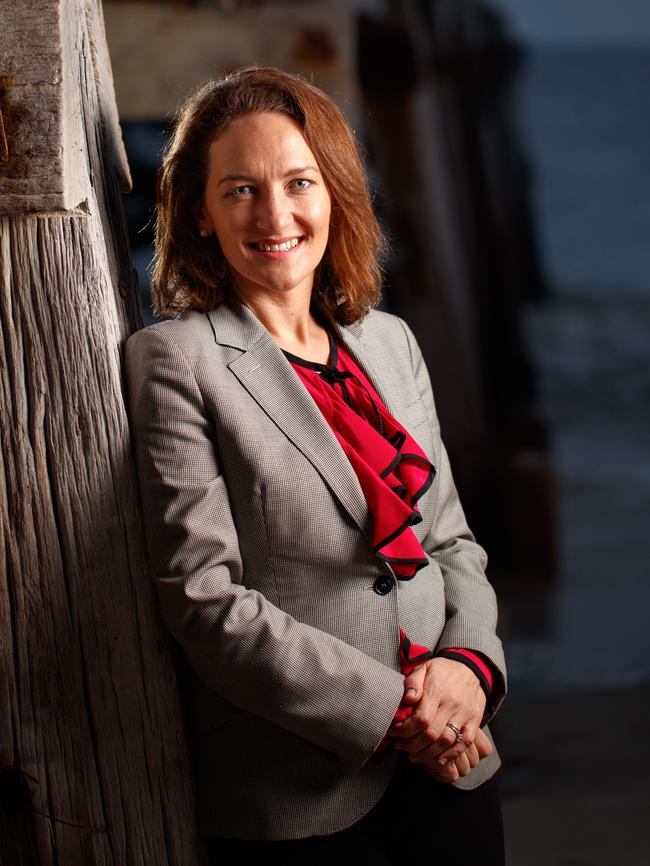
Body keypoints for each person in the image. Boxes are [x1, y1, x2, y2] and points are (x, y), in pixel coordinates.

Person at [125, 65, 507, 864]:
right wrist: (394, 714)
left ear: (333, 190)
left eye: (298, 181)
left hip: (455, 761)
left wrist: (470, 671)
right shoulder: (176, 361)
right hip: (302, 798)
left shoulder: (390, 343)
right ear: (198, 211)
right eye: (239, 190)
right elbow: (204, 599)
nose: (275, 214)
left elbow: (451, 544)